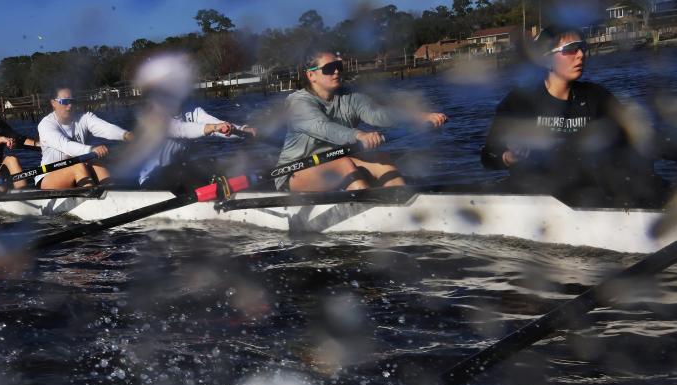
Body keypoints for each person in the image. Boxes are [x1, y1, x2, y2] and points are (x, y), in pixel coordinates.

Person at [481, 26, 665, 206]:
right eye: (570, 50)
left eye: (582, 48)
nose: (580, 55)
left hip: (589, 193)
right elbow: (488, 157)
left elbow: (636, 142)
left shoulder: (597, 97)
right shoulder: (520, 101)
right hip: (540, 198)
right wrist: (508, 157)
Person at [276, 50, 447, 192]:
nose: (336, 71)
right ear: (311, 75)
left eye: (338, 66)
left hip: (335, 162)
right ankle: (370, 212)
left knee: (382, 160)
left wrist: (418, 116)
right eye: (329, 68)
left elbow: (379, 114)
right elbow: (324, 128)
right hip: (295, 172)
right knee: (344, 166)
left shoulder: (350, 97)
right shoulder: (298, 103)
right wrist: (359, 135)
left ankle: (403, 207)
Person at [139, 104, 257, 190]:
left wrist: (242, 130)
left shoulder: (191, 110)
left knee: (213, 163)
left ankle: (228, 191)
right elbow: (182, 129)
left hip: (179, 172)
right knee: (184, 170)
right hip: (153, 178)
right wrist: (214, 127)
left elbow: (215, 123)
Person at [36, 86, 132, 189]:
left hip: (80, 172)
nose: (70, 106)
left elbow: (105, 128)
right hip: (49, 177)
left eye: (72, 101)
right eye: (65, 102)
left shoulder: (83, 118)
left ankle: (112, 193)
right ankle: (90, 199)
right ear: (53, 103)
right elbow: (65, 145)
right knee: (79, 166)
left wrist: (126, 135)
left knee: (97, 163)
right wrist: (91, 150)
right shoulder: (46, 125)